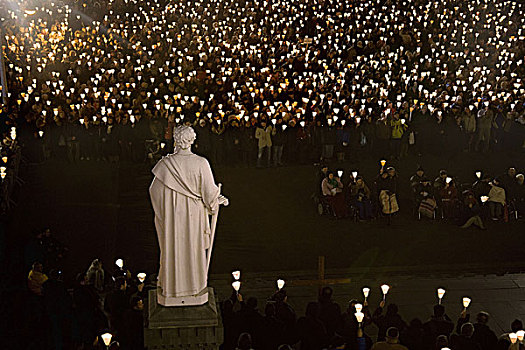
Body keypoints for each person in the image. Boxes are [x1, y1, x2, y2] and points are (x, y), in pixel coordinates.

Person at [149, 125, 228, 306]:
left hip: (173, 217)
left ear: (176, 140)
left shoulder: (165, 165)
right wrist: (216, 201)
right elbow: (210, 194)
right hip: (194, 216)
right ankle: (194, 286)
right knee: (192, 249)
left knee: (173, 247)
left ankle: (172, 287)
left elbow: (154, 191)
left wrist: (165, 210)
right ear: (192, 140)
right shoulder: (201, 163)